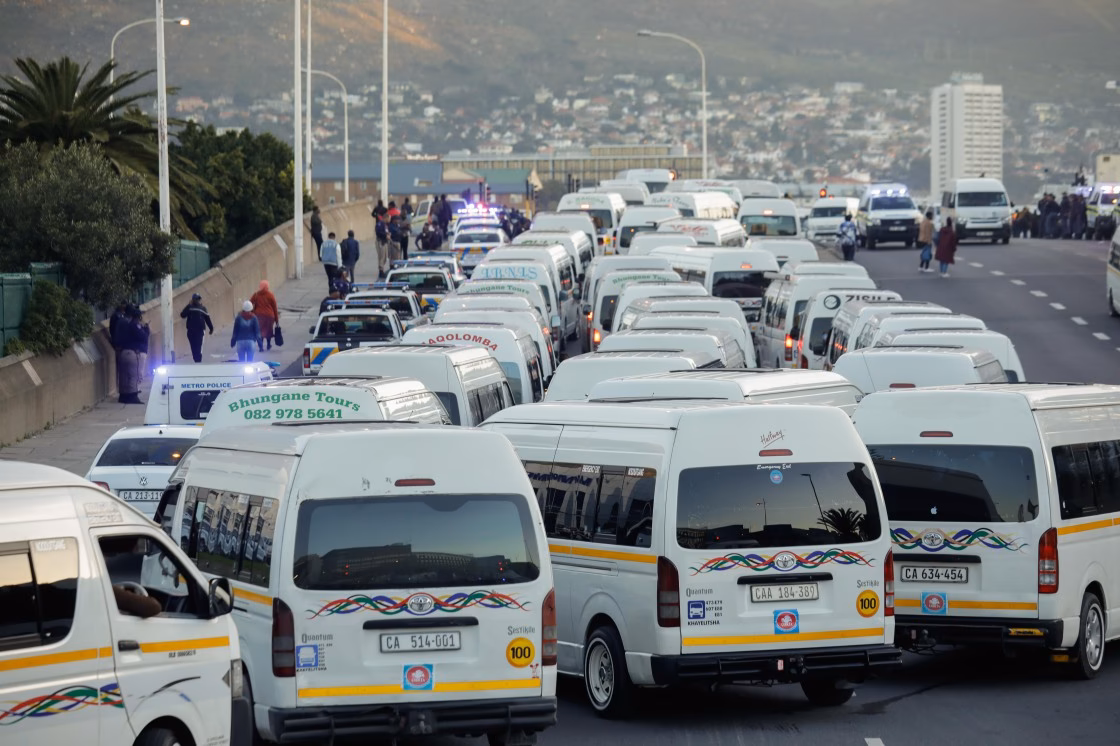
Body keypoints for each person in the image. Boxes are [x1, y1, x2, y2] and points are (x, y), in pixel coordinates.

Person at [115, 306, 149, 404]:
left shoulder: (125, 323)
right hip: (131, 353)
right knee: (133, 376)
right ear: (138, 317)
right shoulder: (134, 325)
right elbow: (143, 337)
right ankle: (133, 397)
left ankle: (123, 396)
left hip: (123, 352)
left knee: (124, 376)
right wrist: (146, 329)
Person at [180, 293, 214, 363]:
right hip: (191, 331)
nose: (197, 301)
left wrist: (211, 328)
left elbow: (207, 319)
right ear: (193, 300)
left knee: (198, 347)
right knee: (194, 347)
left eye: (198, 299)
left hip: (200, 332)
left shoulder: (203, 309)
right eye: (196, 299)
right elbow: (182, 315)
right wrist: (188, 305)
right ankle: (196, 360)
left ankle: (198, 361)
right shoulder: (190, 307)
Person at [250, 280, 280, 352]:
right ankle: (268, 345)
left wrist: (252, 312)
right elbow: (274, 308)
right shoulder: (270, 295)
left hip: (259, 316)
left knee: (260, 331)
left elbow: (250, 303)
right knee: (269, 330)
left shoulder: (256, 295)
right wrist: (276, 320)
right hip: (270, 316)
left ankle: (261, 347)